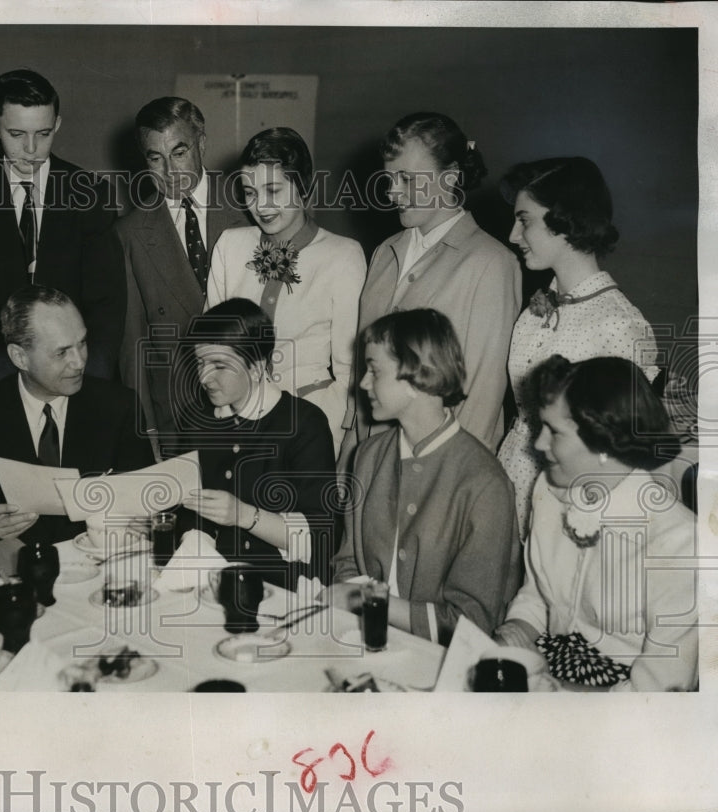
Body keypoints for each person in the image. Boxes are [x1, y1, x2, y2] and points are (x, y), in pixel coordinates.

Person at [495, 356, 697, 692]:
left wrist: (556, 691)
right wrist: (517, 628)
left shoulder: (680, 542)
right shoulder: (550, 489)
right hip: (550, 668)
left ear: (602, 441)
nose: (539, 444)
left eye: (554, 432)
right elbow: (537, 595)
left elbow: (659, 694)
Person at [339, 112, 521, 470]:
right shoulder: (384, 252)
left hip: (436, 469)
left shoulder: (491, 263)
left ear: (449, 177)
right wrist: (349, 453)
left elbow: (482, 399)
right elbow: (364, 370)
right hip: (369, 461)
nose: (392, 193)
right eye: (389, 180)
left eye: (407, 179)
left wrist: (445, 484)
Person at [332, 309, 519, 646]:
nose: (362, 383)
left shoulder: (484, 483)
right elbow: (347, 565)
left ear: (416, 374)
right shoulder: (368, 456)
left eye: (374, 371)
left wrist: (367, 602)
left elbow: (471, 624)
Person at [497, 157, 658, 536]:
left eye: (524, 220)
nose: (512, 236)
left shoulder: (620, 326)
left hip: (566, 511)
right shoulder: (536, 310)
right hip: (508, 490)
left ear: (563, 219)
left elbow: (623, 461)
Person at [0, 285, 155, 548]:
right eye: (62, 352)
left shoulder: (119, 406)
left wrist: (141, 519)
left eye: (82, 343)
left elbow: (147, 503)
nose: (79, 362)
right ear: (19, 357)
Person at [0, 69, 125, 381]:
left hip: (79, 375)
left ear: (57, 124)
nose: (31, 150)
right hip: (1, 379)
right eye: (17, 134)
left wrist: (90, 383)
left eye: (43, 134)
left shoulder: (91, 193)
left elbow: (108, 306)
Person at [205, 127, 365, 455]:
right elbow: (213, 349)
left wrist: (327, 435)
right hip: (238, 426)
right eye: (249, 192)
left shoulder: (343, 255)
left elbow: (351, 370)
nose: (260, 205)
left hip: (313, 427)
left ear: (302, 185)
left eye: (274, 190)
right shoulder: (230, 246)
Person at [177, 298, 340, 589]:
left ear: (256, 366)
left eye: (219, 366)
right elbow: (189, 513)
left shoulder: (303, 424)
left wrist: (243, 515)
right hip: (214, 580)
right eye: (200, 362)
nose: (204, 377)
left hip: (285, 585)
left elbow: (323, 536)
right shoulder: (198, 421)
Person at [117, 96, 248, 448]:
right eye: (155, 158)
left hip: (254, 401)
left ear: (201, 144)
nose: (170, 172)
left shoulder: (249, 204)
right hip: (177, 413)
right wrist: (146, 431)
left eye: (179, 152)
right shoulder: (129, 233)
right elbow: (133, 344)